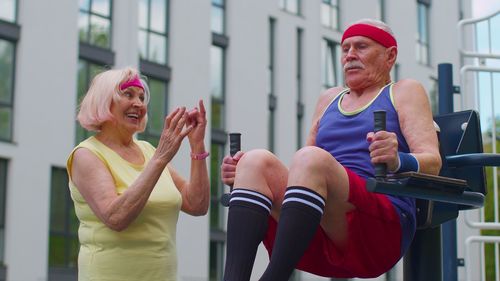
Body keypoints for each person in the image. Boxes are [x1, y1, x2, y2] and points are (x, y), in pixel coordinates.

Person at [220, 19, 442, 280]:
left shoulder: (404, 91)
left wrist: (397, 160)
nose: (350, 55)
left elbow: (433, 162)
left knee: (309, 158)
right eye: (345, 48)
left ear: (389, 55)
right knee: (254, 161)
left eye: (361, 47)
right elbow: (301, 174)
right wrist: (247, 178)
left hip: (380, 225)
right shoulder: (329, 99)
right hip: (322, 222)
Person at [66, 67, 210, 281]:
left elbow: (197, 204)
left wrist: (197, 145)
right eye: (128, 94)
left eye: (142, 97)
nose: (139, 103)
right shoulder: (86, 155)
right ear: (105, 101)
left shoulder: (148, 151)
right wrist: (161, 158)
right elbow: (116, 217)